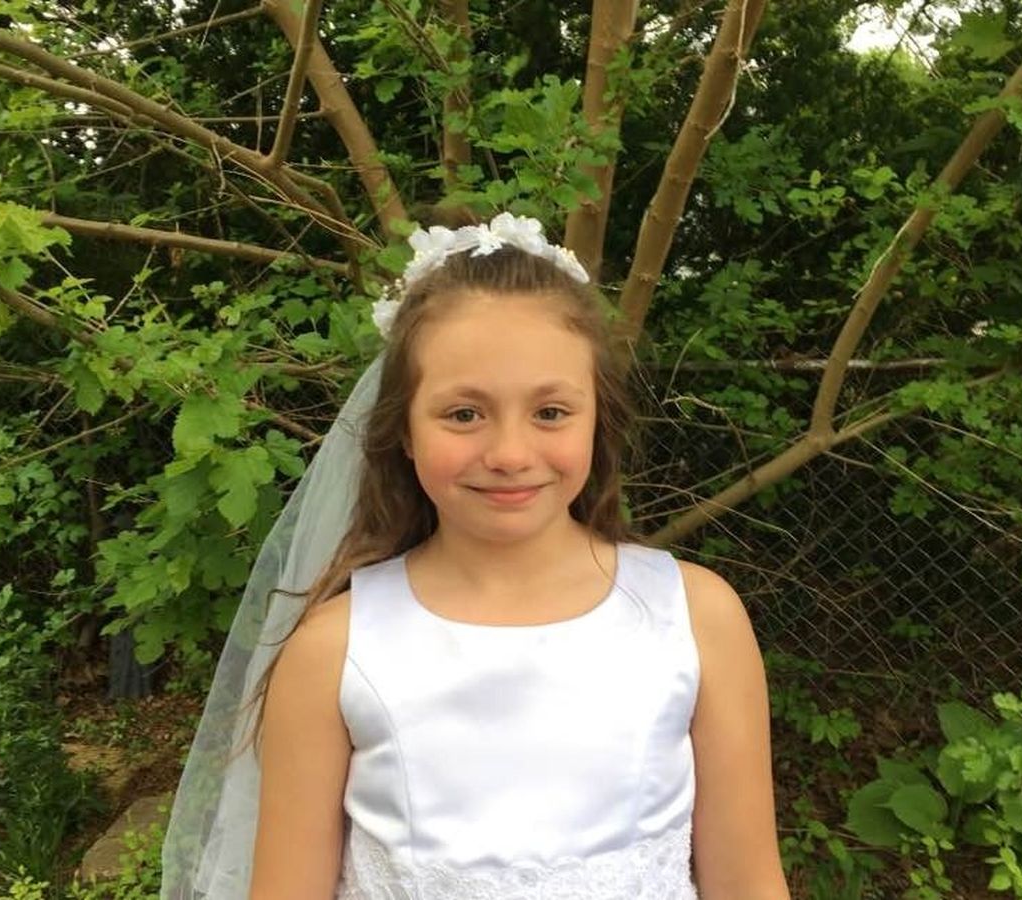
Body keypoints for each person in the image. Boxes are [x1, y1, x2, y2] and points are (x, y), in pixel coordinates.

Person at [161, 213, 790, 900]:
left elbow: (749, 882)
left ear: (598, 419)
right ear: (404, 430)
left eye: (550, 412)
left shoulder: (697, 618)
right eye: (464, 414)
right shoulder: (333, 651)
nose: (510, 454)